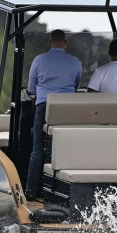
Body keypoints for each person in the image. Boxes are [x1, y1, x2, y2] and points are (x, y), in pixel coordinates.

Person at [25, 29, 82, 200]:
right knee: (66, 148)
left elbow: (31, 89)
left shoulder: (39, 60)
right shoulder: (75, 62)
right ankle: (63, 194)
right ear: (65, 43)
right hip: (67, 107)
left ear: (49, 42)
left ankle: (31, 192)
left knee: (37, 149)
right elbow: (76, 86)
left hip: (44, 105)